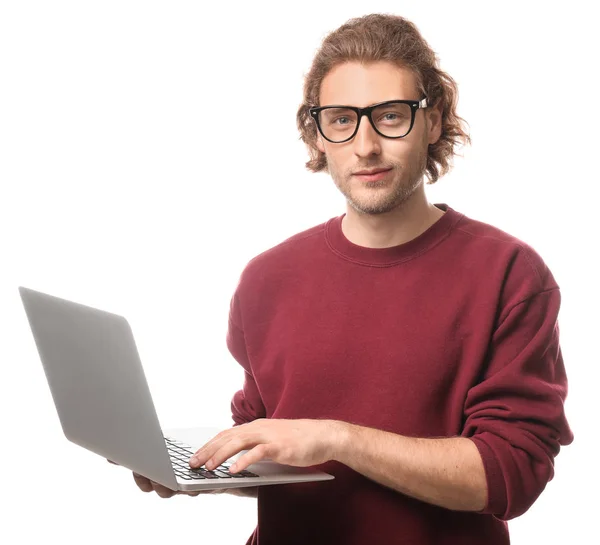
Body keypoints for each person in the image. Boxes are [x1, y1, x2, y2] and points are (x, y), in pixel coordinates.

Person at [131, 13, 574, 545]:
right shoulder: (265, 279)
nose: (365, 145)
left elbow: (512, 473)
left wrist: (339, 439)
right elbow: (276, 457)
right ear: (317, 135)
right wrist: (198, 472)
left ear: (433, 122)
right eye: (341, 119)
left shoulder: (509, 273)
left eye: (390, 116)